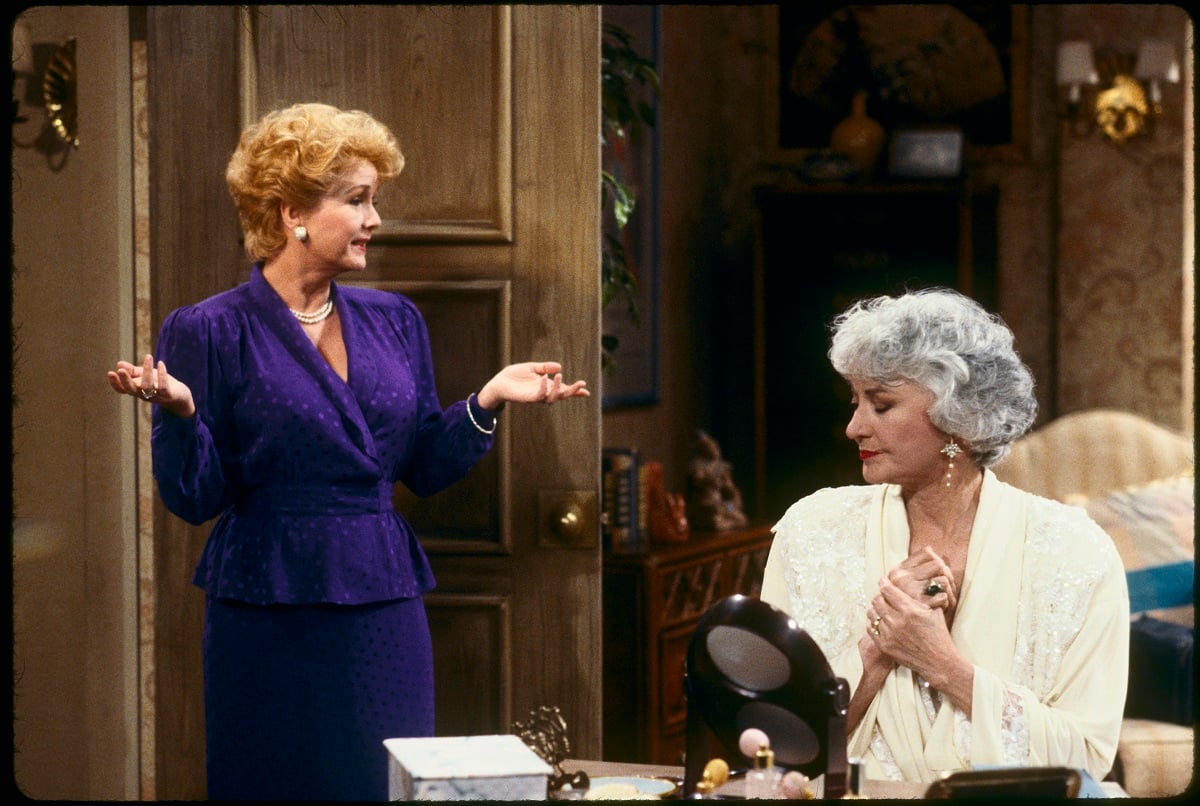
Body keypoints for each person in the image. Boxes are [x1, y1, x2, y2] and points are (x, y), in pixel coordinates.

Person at [106, 102, 589, 801]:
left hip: (382, 600)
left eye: (374, 200)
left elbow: (422, 465)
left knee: (381, 784)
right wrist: (181, 415)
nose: (375, 219)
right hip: (265, 603)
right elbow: (194, 499)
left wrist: (486, 402)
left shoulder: (395, 321)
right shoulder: (209, 328)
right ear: (289, 212)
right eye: (357, 200)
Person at [759, 288, 1128, 785]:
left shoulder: (1076, 553)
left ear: (958, 416)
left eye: (881, 405)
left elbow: (1085, 759)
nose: (853, 427)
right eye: (855, 402)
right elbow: (774, 743)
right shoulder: (812, 532)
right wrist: (876, 651)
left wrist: (943, 665)